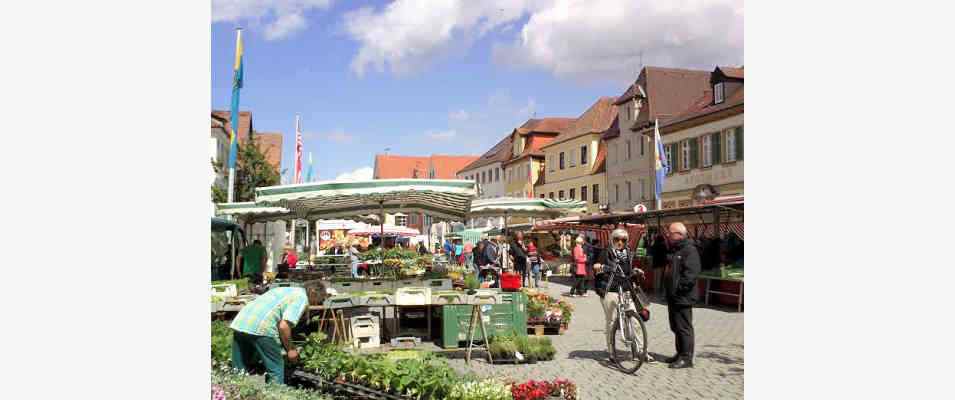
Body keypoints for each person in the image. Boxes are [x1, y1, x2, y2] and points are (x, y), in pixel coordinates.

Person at [230, 281, 322, 384]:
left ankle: (235, 392)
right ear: (313, 293)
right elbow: (283, 326)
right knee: (276, 368)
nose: (316, 304)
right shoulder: (301, 297)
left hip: (241, 322)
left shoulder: (284, 290)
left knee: (239, 369)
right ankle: (274, 394)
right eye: (318, 300)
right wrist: (291, 349)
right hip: (261, 327)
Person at [593, 228, 643, 361]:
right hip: (610, 291)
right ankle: (611, 351)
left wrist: (636, 271)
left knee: (635, 320)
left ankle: (640, 351)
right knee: (611, 322)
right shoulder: (606, 252)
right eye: (617, 239)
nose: (620, 243)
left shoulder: (629, 253)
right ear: (612, 239)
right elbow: (596, 265)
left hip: (626, 290)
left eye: (623, 240)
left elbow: (628, 270)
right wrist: (600, 267)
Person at [663, 222, 701, 369]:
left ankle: (687, 358)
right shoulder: (676, 249)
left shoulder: (689, 250)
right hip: (673, 296)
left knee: (684, 327)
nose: (668, 235)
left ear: (679, 234)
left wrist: (679, 288)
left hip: (682, 296)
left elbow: (691, 274)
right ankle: (680, 353)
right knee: (675, 326)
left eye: (670, 233)